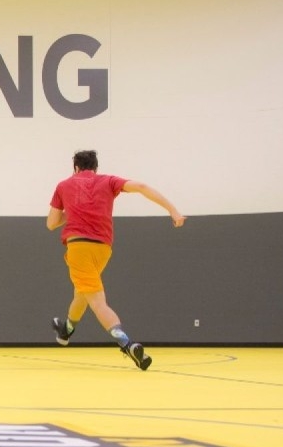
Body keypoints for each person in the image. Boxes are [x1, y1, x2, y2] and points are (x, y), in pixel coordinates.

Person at [47, 150, 184, 370]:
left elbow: (51, 223)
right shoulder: (108, 181)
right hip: (103, 248)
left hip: (79, 246)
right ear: (96, 167)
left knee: (97, 301)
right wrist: (173, 211)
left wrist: (72, 210)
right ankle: (66, 332)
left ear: (75, 168)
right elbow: (141, 186)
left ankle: (126, 343)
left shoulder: (64, 185)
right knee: (82, 293)